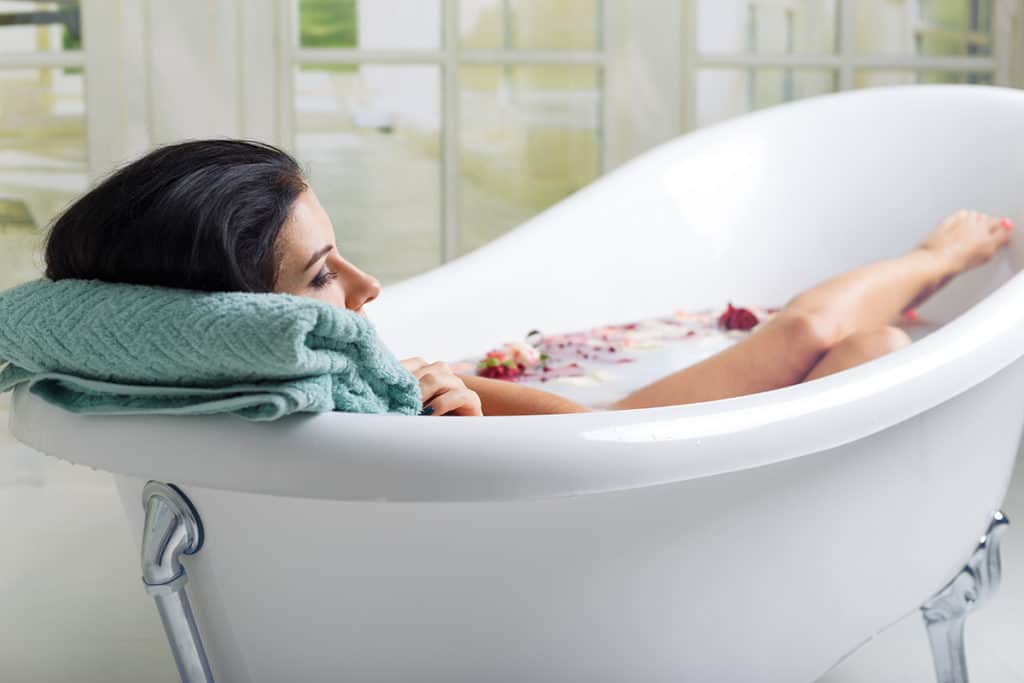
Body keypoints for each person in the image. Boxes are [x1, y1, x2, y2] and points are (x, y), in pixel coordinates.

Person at [43, 140, 1013, 417]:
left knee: (847, 341)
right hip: (636, 444)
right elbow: (586, 447)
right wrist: (466, 412)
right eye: (321, 275)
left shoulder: (237, 385)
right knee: (839, 339)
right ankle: (936, 260)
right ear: (234, 314)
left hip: (582, 411)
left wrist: (459, 382)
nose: (368, 287)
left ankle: (915, 292)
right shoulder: (352, 416)